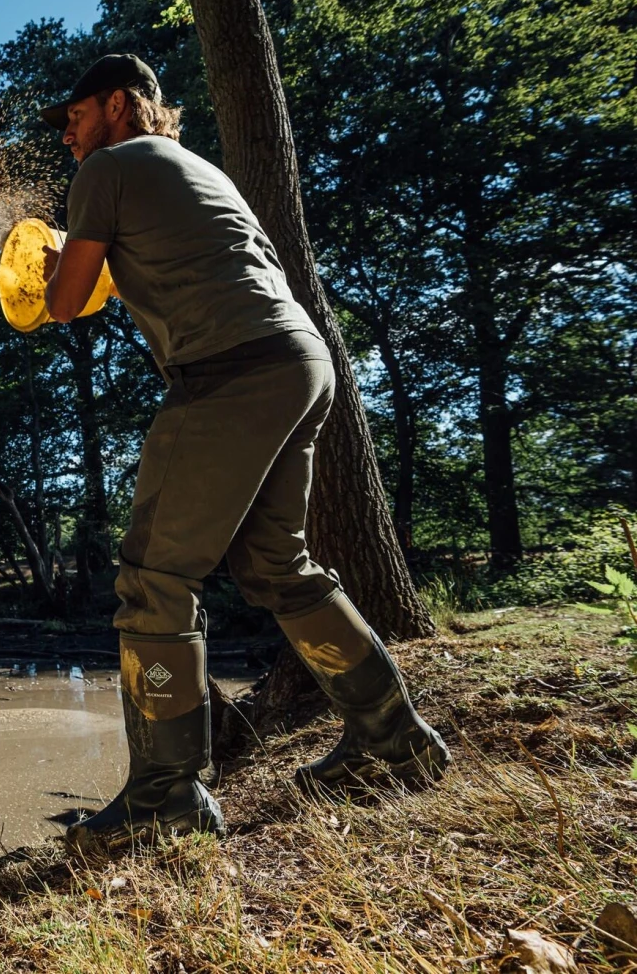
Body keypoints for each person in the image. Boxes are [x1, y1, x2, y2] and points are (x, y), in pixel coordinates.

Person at [38, 54, 449, 846]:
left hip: (227, 373)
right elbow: (170, 269)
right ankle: (394, 741)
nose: (67, 134)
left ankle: (167, 796)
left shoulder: (108, 169)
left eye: (76, 115)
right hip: (300, 361)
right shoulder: (196, 171)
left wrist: (56, 266)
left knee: (154, 578)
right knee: (275, 567)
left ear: (120, 105)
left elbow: (61, 303)